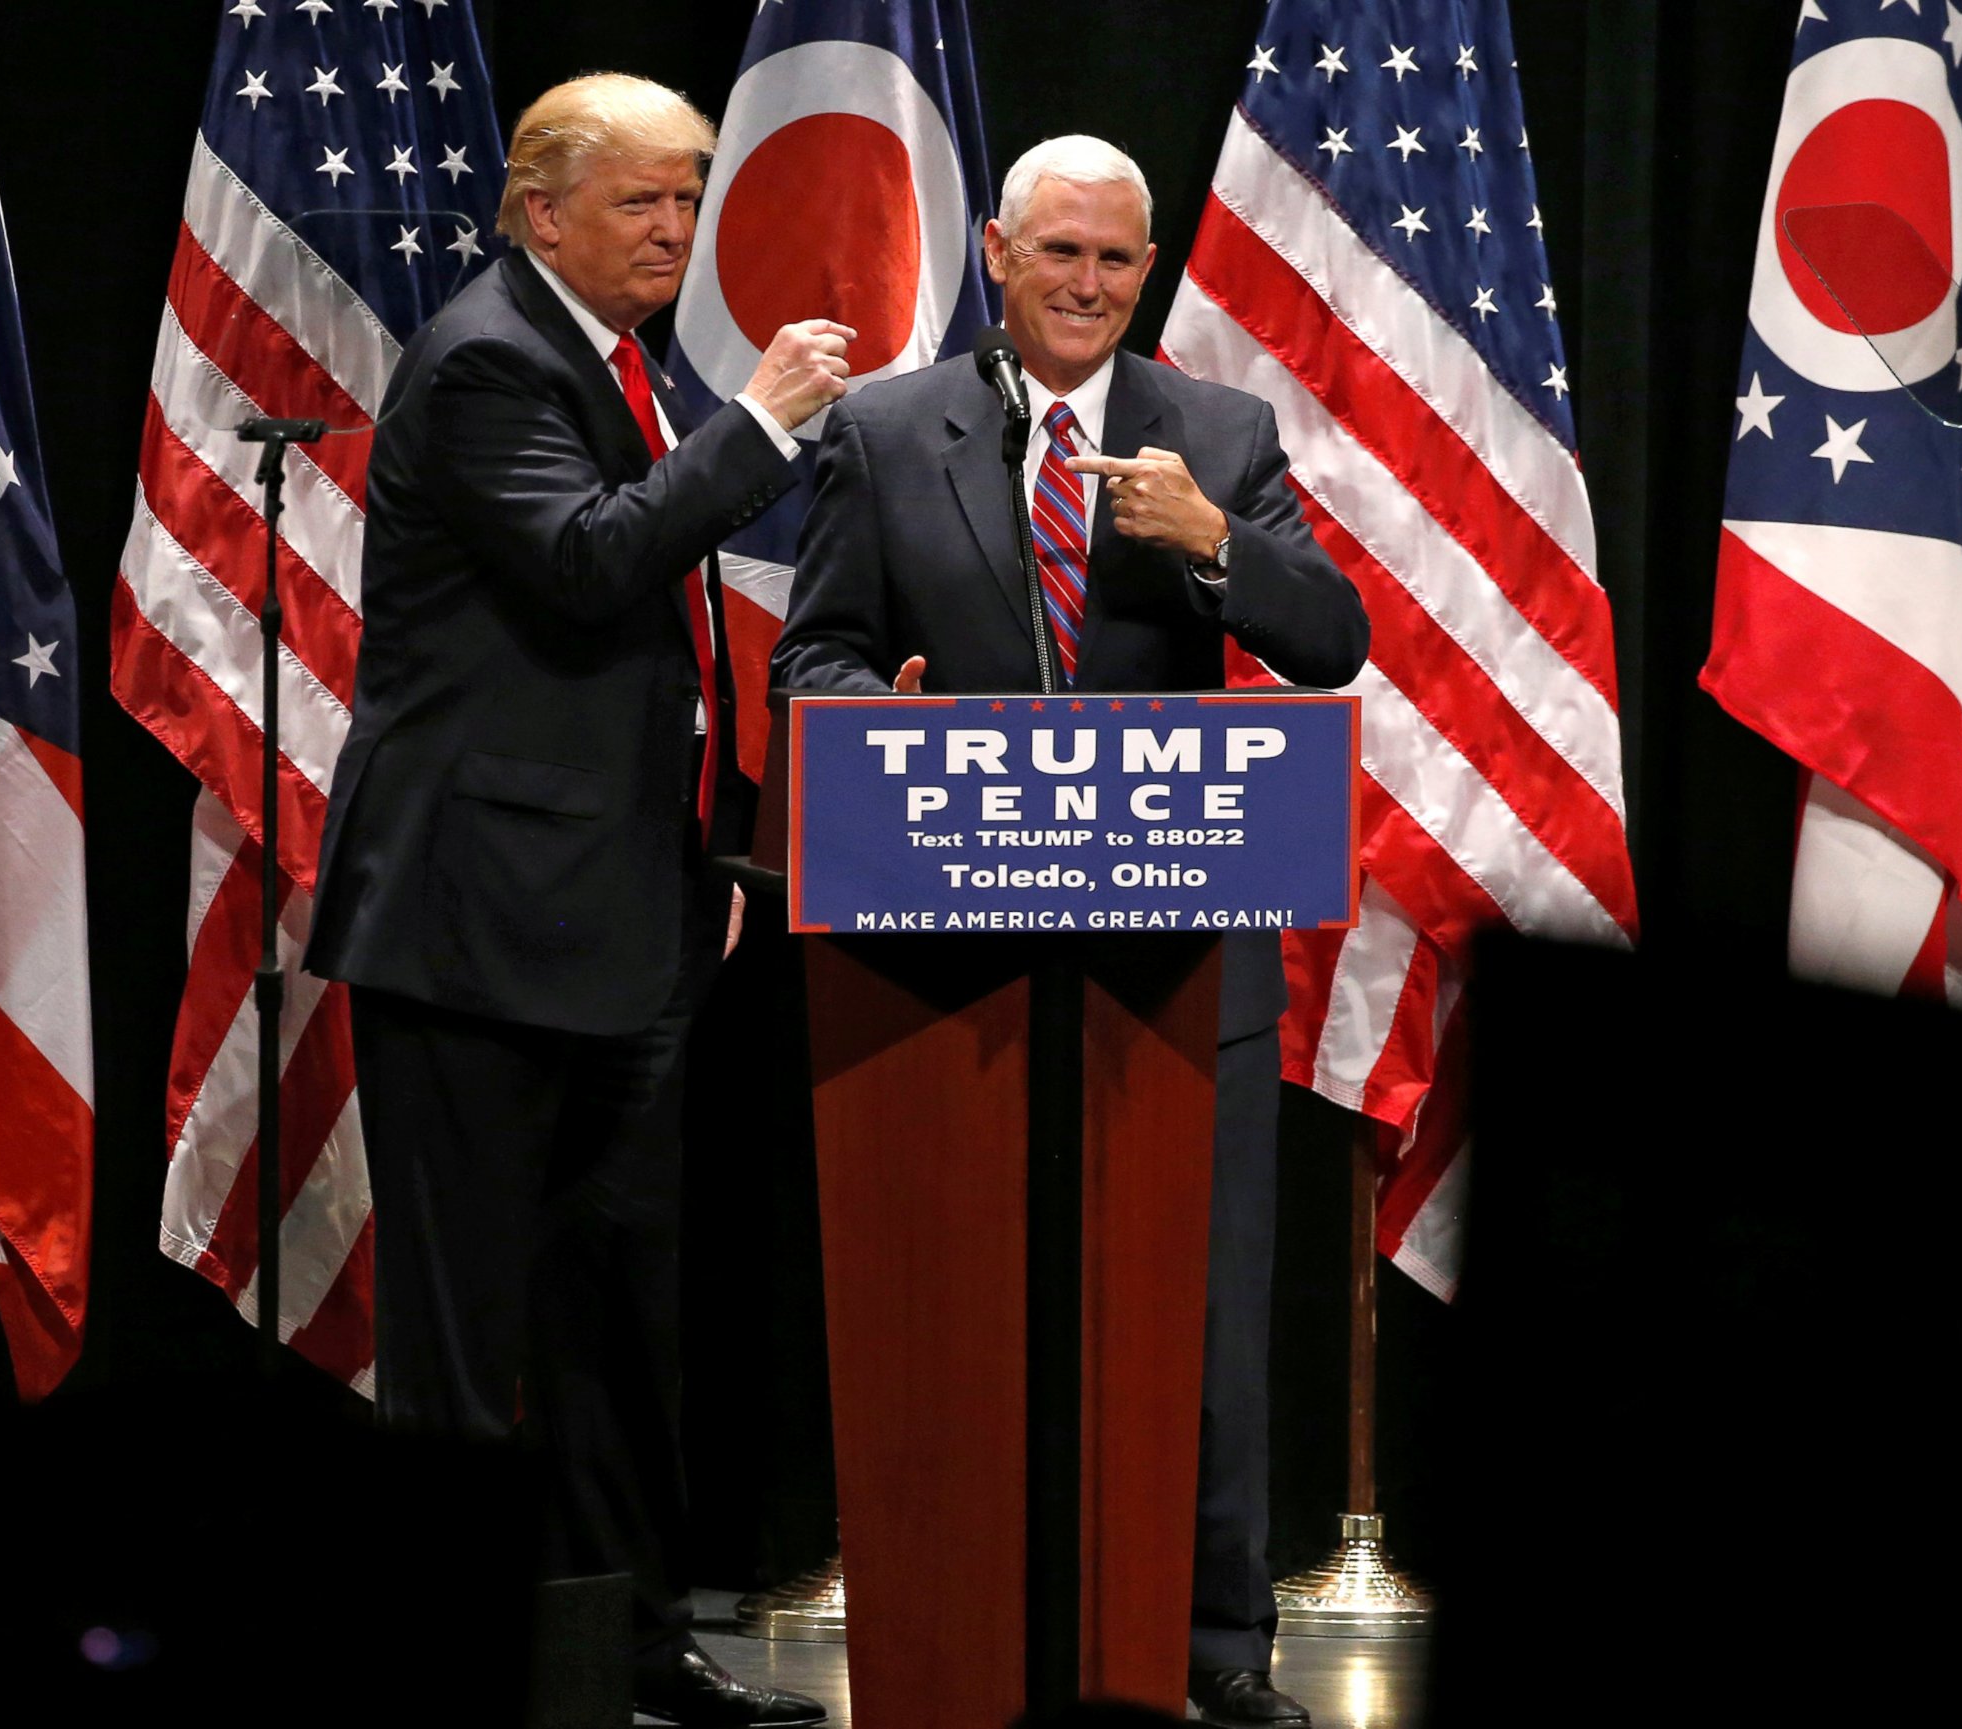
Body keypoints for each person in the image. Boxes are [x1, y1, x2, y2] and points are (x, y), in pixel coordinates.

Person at [772, 135, 1369, 1729]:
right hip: (943, 965)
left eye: (1117, 261)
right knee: (957, 1310)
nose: (1091, 287)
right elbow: (813, 661)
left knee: (1203, 1319)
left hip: (1176, 971)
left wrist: (1210, 544)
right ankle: (966, 1619)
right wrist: (872, 722)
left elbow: (1330, 642)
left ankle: (1215, 1644)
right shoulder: (889, 432)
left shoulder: (1217, 435)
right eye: (1062, 256)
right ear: (997, 252)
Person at [305, 74, 846, 1728]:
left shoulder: (601, 359)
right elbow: (592, 561)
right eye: (642, 204)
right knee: (470, 1347)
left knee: (619, 1325)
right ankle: (458, 1670)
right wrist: (759, 426)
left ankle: (619, 1651)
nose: (677, 233)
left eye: (690, 201)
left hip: (625, 920)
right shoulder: (486, 358)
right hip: (475, 928)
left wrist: (705, 849)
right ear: (541, 212)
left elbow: (639, 657)